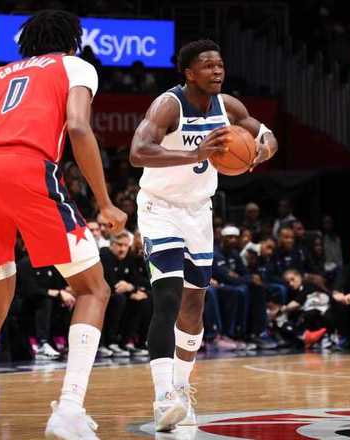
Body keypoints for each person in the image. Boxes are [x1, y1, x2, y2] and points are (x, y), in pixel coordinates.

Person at [0, 10, 126, 440]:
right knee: (93, 289)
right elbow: (78, 127)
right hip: (30, 169)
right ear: (73, 41)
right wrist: (105, 202)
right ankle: (70, 407)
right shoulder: (74, 66)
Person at [129, 38, 278, 431]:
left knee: (193, 307)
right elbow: (137, 151)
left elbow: (268, 137)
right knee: (167, 298)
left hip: (198, 212)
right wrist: (194, 155)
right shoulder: (168, 105)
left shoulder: (228, 107)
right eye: (208, 66)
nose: (217, 71)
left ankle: (181, 389)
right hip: (160, 209)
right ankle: (163, 397)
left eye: (220, 65)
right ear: (189, 73)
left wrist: (262, 151)